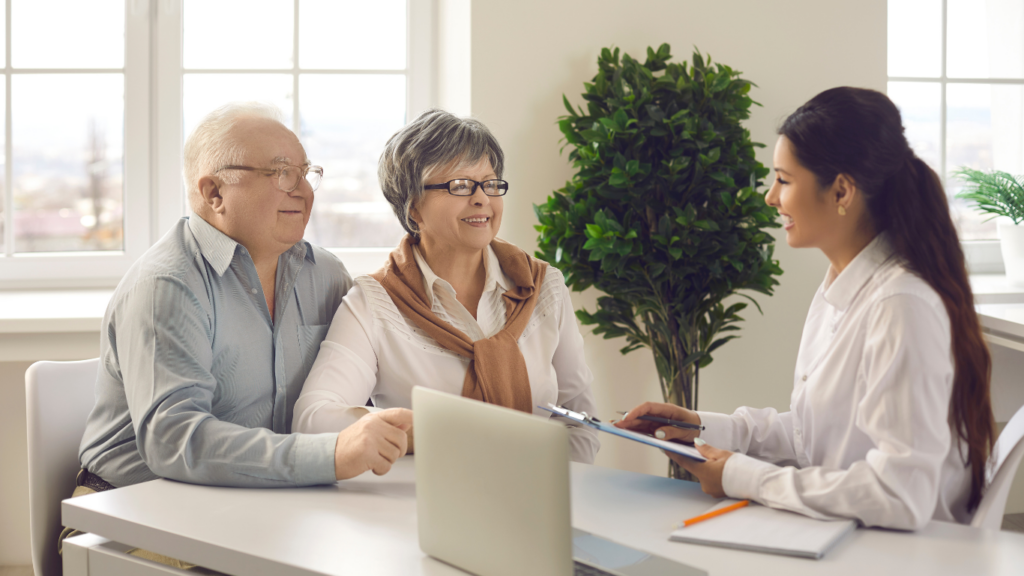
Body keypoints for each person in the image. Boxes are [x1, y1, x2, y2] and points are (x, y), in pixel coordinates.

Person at [616, 87, 995, 530]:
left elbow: (899, 495)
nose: (770, 198)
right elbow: (816, 435)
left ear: (841, 191)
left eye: (784, 179)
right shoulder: (842, 287)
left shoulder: (900, 305)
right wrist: (702, 428)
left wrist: (741, 476)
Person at [77, 102, 412, 495]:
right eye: (282, 173)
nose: (303, 191)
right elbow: (174, 441)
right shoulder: (167, 285)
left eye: (306, 174)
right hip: (133, 504)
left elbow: (351, 389)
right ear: (214, 192)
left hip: (259, 497)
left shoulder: (326, 275)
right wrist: (332, 453)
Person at [293, 109, 600, 462]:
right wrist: (424, 432)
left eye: (490, 182)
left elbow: (580, 420)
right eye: (460, 185)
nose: (482, 198)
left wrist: (562, 493)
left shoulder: (545, 287)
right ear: (414, 210)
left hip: (545, 502)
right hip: (419, 506)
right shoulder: (374, 302)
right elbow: (313, 418)